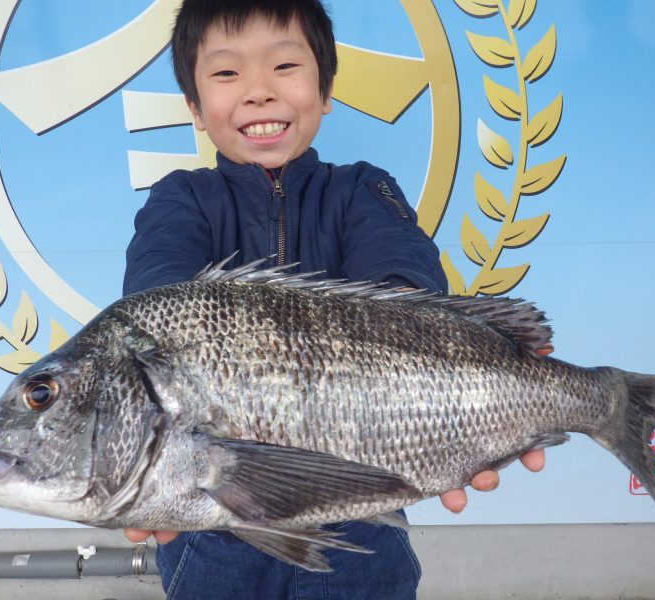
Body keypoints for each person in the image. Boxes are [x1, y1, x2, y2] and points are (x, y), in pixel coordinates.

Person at [122, 1, 545, 597]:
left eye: (285, 67)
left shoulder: (361, 187)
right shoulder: (181, 199)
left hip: (364, 512)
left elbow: (405, 273)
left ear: (325, 91)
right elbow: (157, 301)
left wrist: (467, 402)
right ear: (194, 106)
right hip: (216, 528)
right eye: (226, 73)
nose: (259, 92)